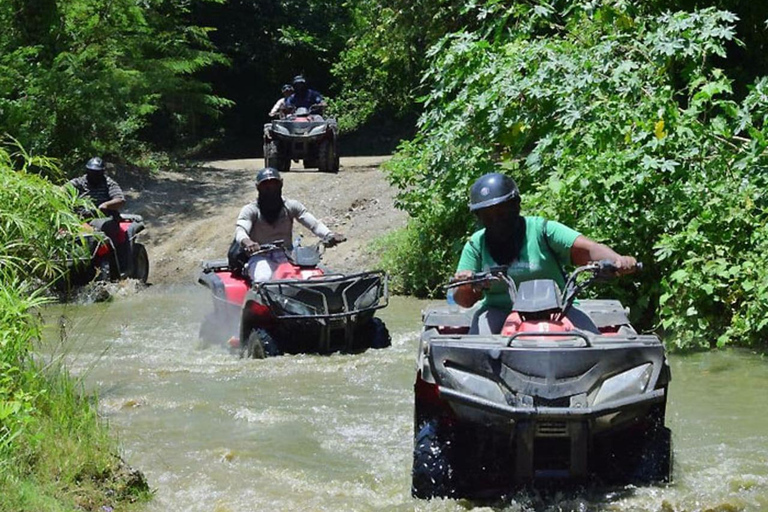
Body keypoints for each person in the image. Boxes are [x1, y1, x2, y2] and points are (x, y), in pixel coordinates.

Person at [452, 172, 637, 334]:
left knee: (594, 344)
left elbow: (589, 250)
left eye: (501, 212)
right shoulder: (476, 244)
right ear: (479, 217)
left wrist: (617, 260)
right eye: (487, 215)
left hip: (558, 309)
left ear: (516, 206)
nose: (496, 221)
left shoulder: (543, 231)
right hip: (498, 311)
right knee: (478, 352)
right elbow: (463, 301)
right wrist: (467, 284)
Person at [234, 167, 345, 283]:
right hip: (260, 257)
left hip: (288, 256)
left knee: (313, 277)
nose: (270, 189)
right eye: (265, 186)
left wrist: (329, 235)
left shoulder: (291, 206)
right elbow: (240, 230)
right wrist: (247, 242)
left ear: (281, 184)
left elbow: (314, 225)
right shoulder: (251, 210)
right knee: (263, 278)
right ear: (258, 187)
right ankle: (261, 298)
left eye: (274, 184)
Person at [65, 157, 130, 273]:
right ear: (87, 171)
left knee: (102, 230)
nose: (94, 175)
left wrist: (105, 205)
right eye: (92, 172)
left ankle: (117, 265)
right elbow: (61, 191)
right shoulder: (78, 183)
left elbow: (120, 199)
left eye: (97, 173)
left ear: (102, 172)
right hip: (79, 219)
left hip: (103, 217)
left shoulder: (108, 183)